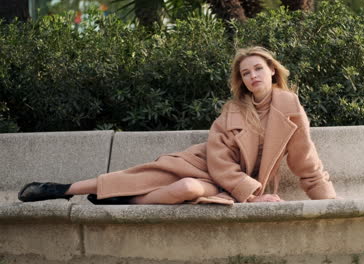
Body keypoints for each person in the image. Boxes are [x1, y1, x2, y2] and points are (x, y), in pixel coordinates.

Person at [18, 46, 336, 205]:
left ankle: (123, 201)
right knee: (145, 174)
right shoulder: (233, 110)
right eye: (245, 73)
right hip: (208, 164)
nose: (252, 76)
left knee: (185, 190)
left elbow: (307, 164)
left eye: (257, 69)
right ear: (242, 81)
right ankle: (60, 189)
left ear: (272, 71)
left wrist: (332, 207)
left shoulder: (289, 107)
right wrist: (253, 196)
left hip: (236, 186)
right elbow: (219, 158)